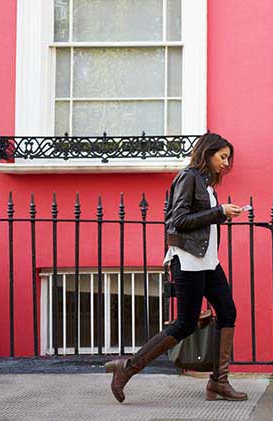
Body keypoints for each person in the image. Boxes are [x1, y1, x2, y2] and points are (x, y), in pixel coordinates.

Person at [105, 133, 249, 403]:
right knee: (185, 324)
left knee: (228, 312)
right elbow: (178, 220)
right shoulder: (188, 177)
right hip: (188, 261)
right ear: (207, 153)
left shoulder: (206, 183)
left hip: (208, 261)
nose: (226, 164)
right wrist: (219, 212)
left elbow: (200, 221)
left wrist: (223, 214)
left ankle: (219, 382)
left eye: (229, 158)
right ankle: (127, 368)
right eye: (222, 157)